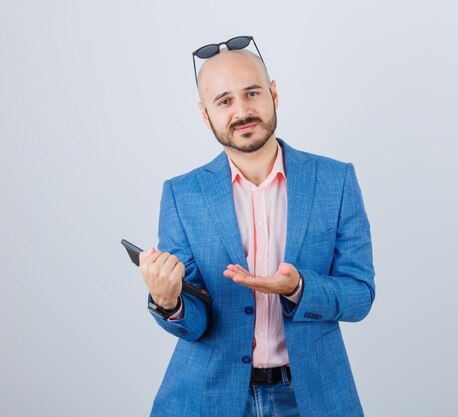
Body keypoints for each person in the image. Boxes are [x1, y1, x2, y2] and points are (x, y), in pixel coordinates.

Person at [138, 36, 375, 417]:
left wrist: (299, 288)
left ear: (273, 94)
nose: (242, 111)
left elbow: (360, 295)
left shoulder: (336, 180)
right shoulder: (183, 195)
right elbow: (196, 323)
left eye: (251, 93)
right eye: (224, 101)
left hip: (312, 396)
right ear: (206, 114)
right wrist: (170, 303)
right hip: (207, 397)